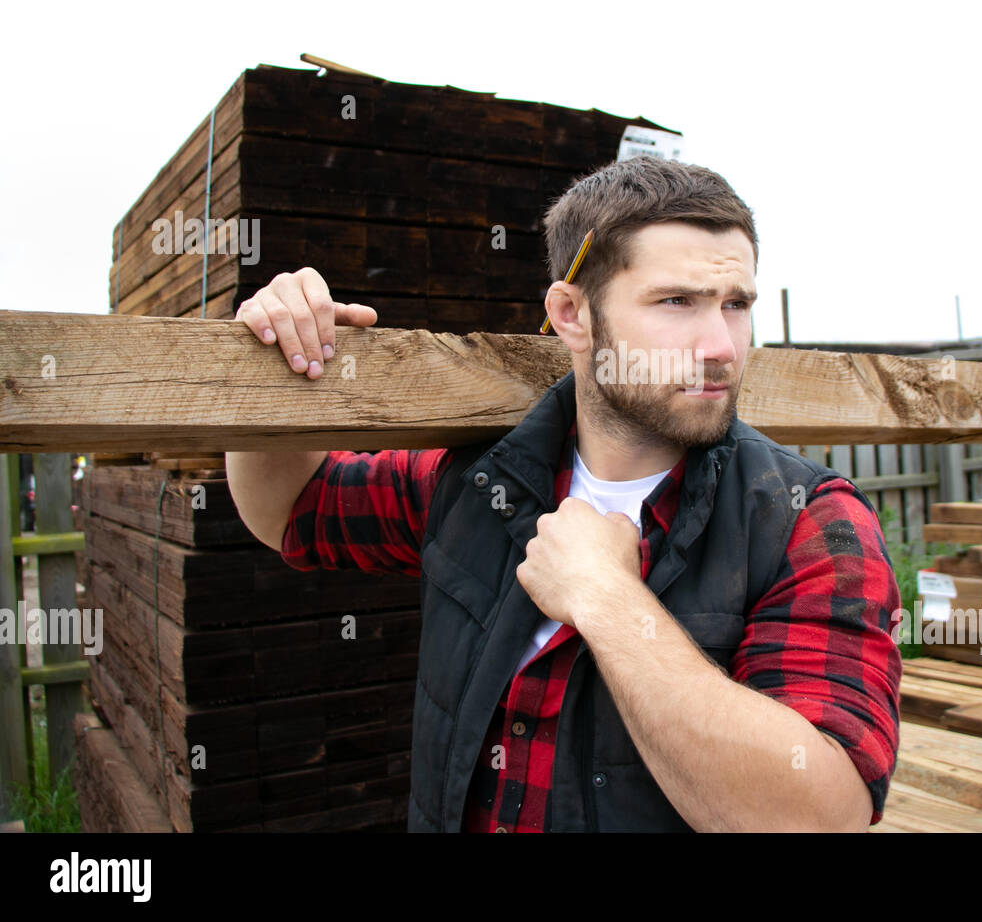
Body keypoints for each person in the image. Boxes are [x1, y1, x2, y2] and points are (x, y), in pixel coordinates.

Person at [226, 155, 901, 832]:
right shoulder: (477, 482)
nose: (721, 346)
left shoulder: (803, 522)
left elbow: (820, 816)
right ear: (572, 314)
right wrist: (278, 356)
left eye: (737, 305)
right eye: (677, 302)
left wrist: (605, 597)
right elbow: (291, 508)